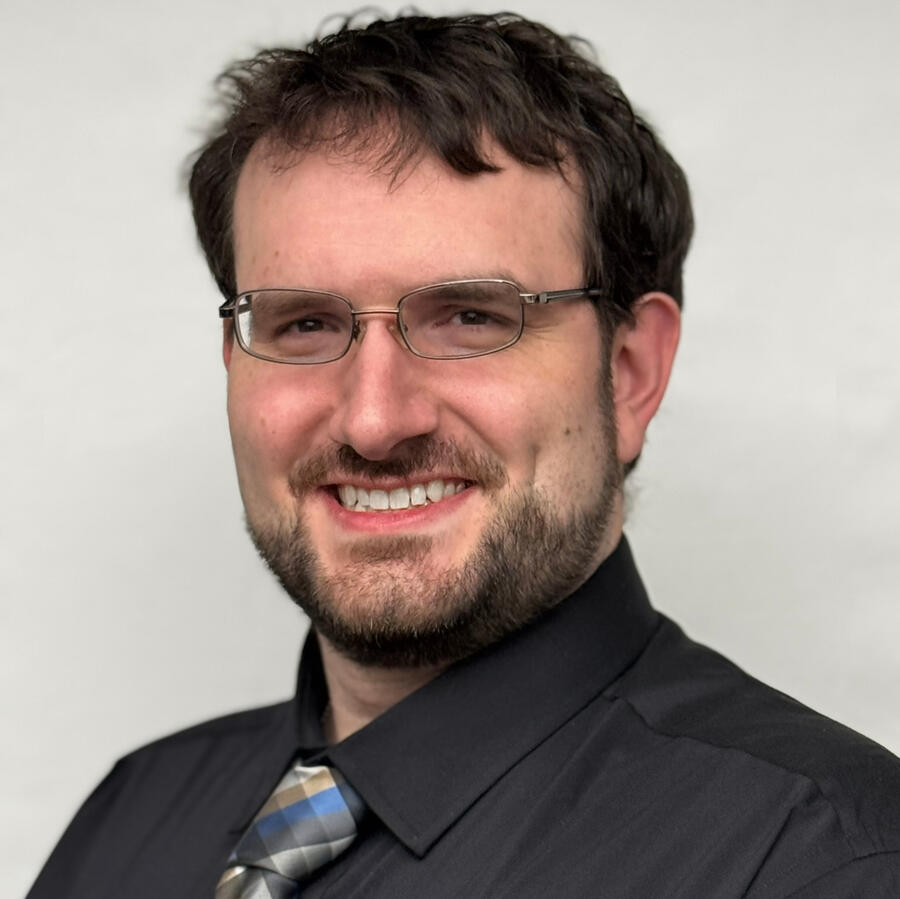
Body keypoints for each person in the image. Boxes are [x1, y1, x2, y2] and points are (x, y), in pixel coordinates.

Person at [27, 11, 900, 898]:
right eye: (305, 324)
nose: (375, 421)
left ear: (629, 372)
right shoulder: (129, 821)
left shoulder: (823, 860)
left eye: (472, 317)